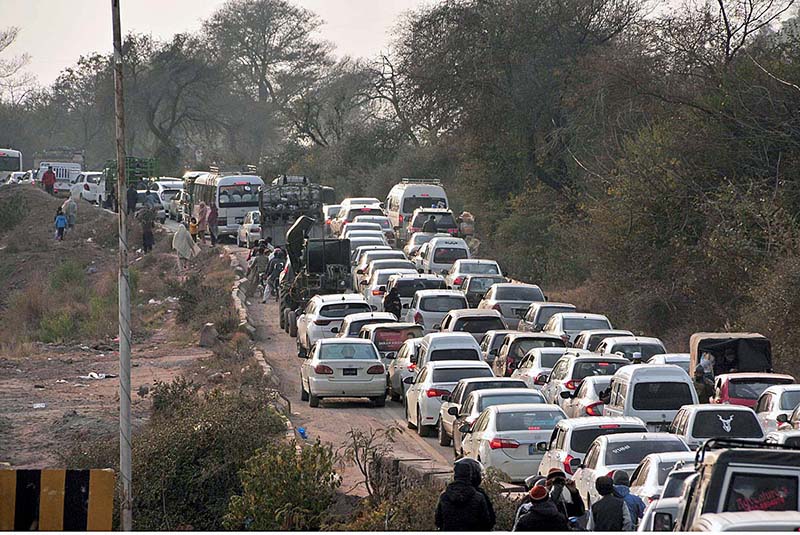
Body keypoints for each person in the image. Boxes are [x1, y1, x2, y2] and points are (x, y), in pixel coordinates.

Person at [434, 460, 493, 531]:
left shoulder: (444, 497)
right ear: (470, 475)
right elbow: (487, 523)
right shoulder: (479, 497)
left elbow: (438, 521)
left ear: (455, 476)